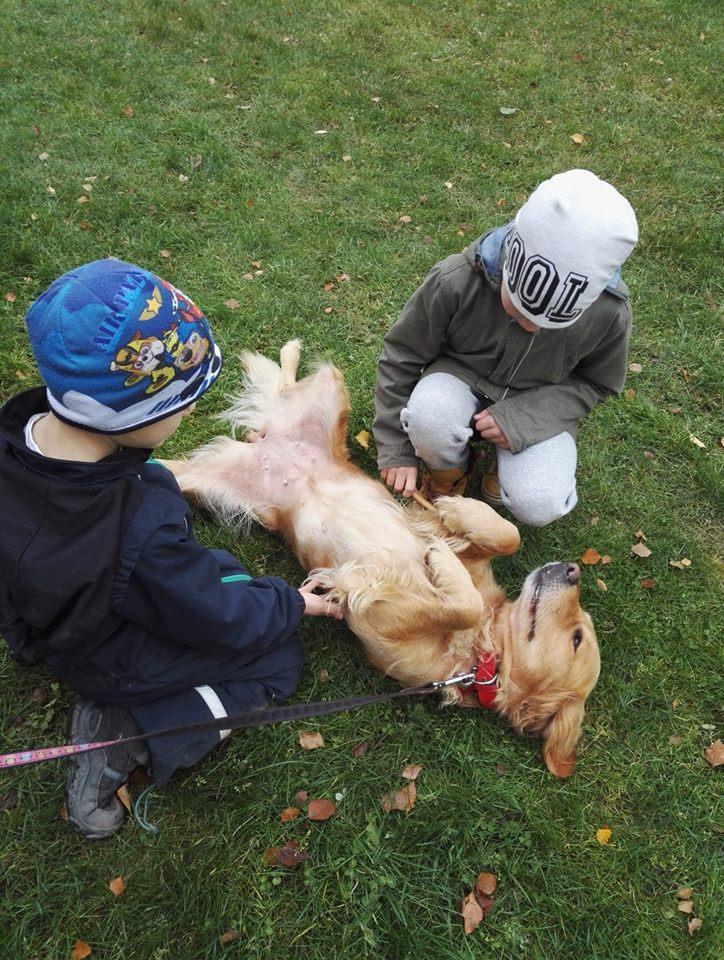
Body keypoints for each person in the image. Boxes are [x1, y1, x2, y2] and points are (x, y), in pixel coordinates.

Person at [0, 259, 342, 839]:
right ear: (132, 414)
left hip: (56, 624)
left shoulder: (16, 440)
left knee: (225, 574)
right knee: (276, 660)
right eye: (181, 401)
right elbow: (217, 618)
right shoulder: (138, 525)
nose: (188, 411)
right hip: (110, 655)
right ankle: (127, 731)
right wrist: (293, 605)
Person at [373, 169, 638, 526]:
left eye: (549, 323)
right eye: (516, 305)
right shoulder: (456, 279)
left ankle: (505, 470)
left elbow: (598, 384)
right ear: (511, 259)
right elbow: (401, 354)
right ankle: (448, 473)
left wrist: (522, 420)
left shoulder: (609, 314)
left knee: (540, 503)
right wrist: (396, 446)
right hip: (459, 378)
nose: (530, 326)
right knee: (430, 417)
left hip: (539, 399)